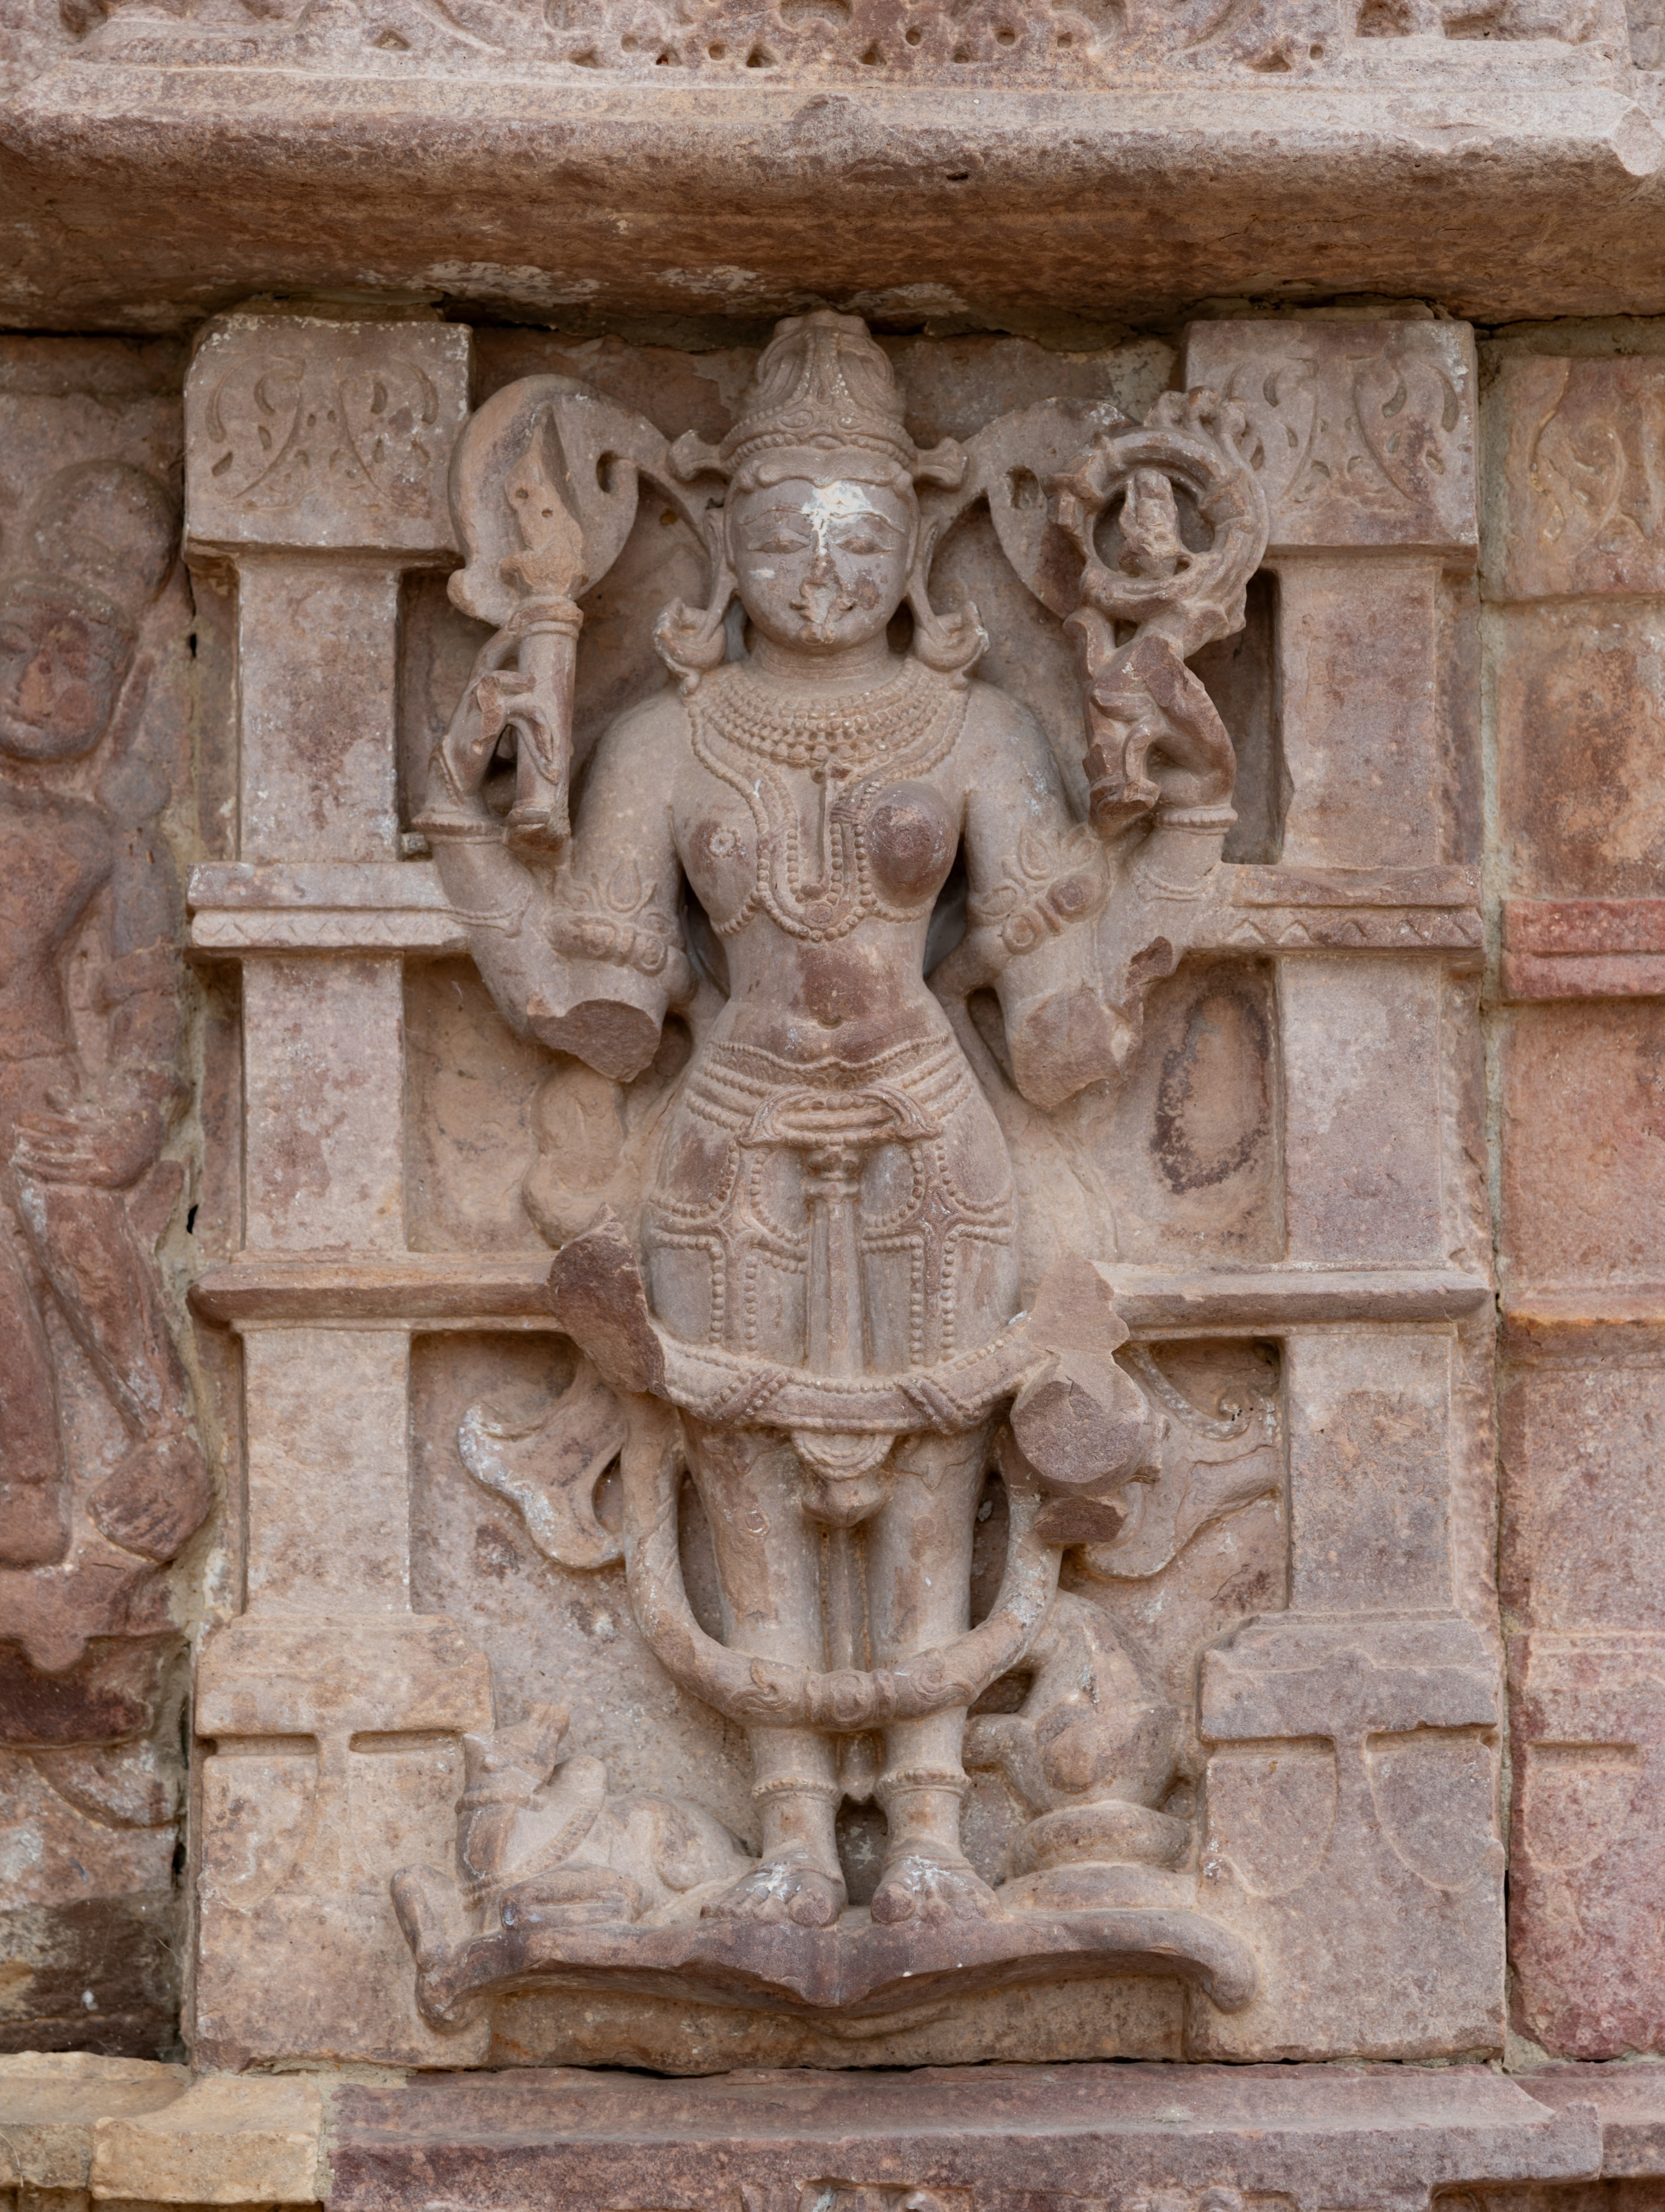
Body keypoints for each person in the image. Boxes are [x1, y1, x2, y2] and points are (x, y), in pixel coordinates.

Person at [424, 313, 1210, 1928]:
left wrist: (1173, 813)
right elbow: (599, 1004)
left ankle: (928, 1821)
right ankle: (787, 1825)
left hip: (929, 1119)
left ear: (913, 547)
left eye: (861, 535)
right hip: (732, 1125)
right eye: (785, 531)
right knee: (743, 1461)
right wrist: (465, 814)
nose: (825, 569)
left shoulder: (976, 731)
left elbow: (1056, 1018)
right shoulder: (664, 739)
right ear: (727, 543)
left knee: (934, 1457)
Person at [0, 459, 208, 1582]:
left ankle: (160, 1440)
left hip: (33, 1081)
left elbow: (145, 996)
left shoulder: (107, 840)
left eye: (74, 666)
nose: (35, 686)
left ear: (126, 690)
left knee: (59, 1203)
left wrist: (132, 1110)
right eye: (14, 650)